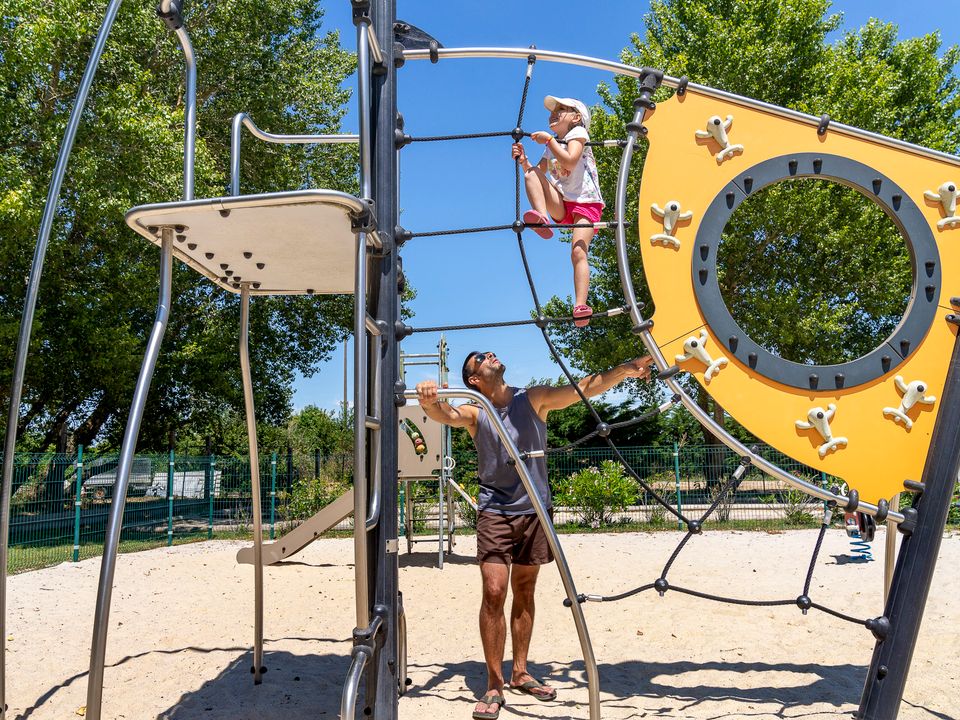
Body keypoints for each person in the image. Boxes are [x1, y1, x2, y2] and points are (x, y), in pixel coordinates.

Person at [416, 350, 654, 720]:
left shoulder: (533, 399)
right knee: (494, 591)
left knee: (524, 589)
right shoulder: (477, 408)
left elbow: (582, 389)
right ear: (474, 378)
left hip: (534, 509)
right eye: (481, 358)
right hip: (495, 510)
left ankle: (520, 672)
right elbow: (445, 415)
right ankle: (494, 683)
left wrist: (623, 369)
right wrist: (428, 401)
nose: (490, 355)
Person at [512, 95, 605, 328]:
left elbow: (571, 161)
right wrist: (524, 161)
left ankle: (581, 305)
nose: (554, 113)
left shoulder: (577, 134)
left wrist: (549, 143)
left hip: (586, 202)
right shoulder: (552, 144)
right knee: (530, 173)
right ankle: (541, 216)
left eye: (562, 109)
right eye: (554, 110)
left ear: (576, 118)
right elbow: (538, 172)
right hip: (563, 202)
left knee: (578, 251)